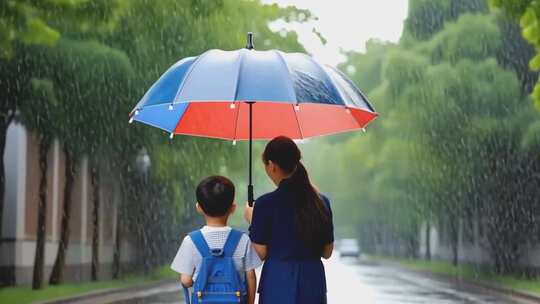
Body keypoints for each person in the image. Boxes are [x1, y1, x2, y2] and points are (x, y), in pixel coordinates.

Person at [244, 136, 334, 304]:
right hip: (312, 284)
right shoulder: (321, 202)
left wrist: (252, 220)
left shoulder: (265, 204)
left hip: (277, 284)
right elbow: (327, 252)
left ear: (272, 166)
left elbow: (260, 253)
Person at [171, 176, 262, 304]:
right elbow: (251, 276)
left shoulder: (190, 240)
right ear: (233, 208)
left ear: (199, 207)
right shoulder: (242, 240)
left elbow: (185, 280)